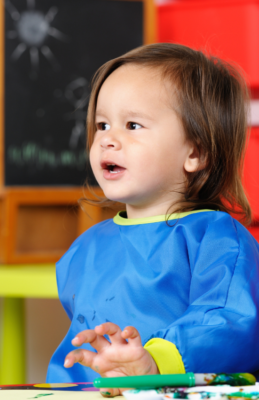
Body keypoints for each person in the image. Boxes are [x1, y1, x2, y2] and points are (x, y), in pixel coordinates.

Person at [46, 43, 259, 396]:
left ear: (196, 152)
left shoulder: (217, 238)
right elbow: (80, 348)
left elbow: (230, 322)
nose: (108, 139)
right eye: (102, 124)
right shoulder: (86, 247)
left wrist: (156, 363)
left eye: (132, 125)